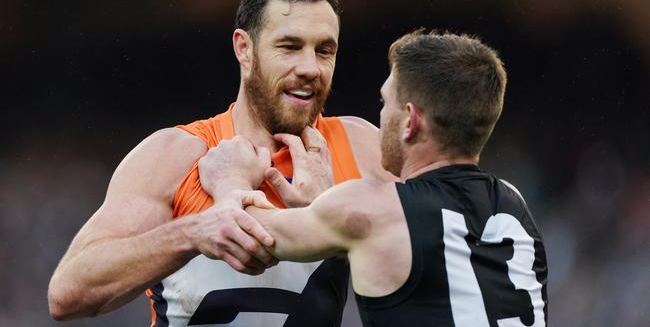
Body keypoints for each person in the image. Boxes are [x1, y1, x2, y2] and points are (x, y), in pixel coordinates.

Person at [48, 0, 393, 326]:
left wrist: (336, 218)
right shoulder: (176, 155)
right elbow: (68, 294)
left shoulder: (363, 149)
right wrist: (194, 232)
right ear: (244, 49)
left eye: (324, 51)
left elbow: (436, 269)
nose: (310, 68)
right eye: (289, 47)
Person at [201, 30, 549, 326]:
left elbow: (250, 234)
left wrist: (230, 180)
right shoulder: (514, 202)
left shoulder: (374, 207)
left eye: (385, 103)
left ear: (410, 121)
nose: (380, 116)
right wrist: (325, 208)